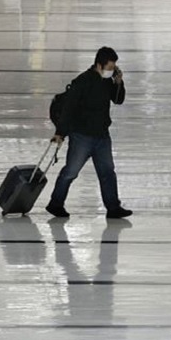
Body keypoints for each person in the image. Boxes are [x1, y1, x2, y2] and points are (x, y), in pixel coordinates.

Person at [46, 46, 132, 219]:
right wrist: (60, 133)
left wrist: (119, 83)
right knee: (71, 171)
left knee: (107, 172)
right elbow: (68, 109)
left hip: (102, 136)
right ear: (99, 65)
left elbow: (118, 100)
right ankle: (55, 203)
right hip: (82, 137)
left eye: (113, 68)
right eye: (109, 67)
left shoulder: (108, 81)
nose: (111, 71)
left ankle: (113, 207)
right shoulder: (82, 82)